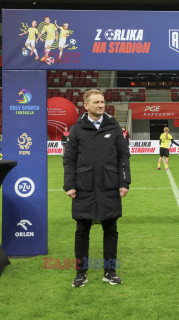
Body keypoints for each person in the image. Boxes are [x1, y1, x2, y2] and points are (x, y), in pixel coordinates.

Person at [63, 89, 131, 287]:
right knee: (82, 231)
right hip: (84, 187)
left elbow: (123, 157)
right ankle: (80, 273)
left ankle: (110, 272)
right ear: (86, 105)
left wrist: (124, 182)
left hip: (109, 186)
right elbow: (69, 159)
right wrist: (69, 184)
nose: (101, 105)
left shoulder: (114, 126)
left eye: (102, 102)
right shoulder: (76, 128)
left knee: (111, 229)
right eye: (96, 102)